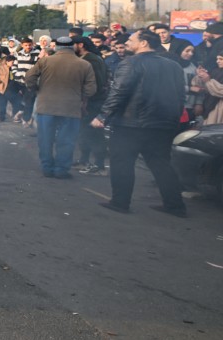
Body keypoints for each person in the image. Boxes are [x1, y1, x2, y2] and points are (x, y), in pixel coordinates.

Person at [93, 30, 187, 216]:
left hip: (130, 124)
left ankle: (120, 202)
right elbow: (180, 96)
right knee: (161, 164)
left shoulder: (130, 63)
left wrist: (103, 116)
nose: (127, 42)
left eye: (131, 39)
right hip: (162, 124)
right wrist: (173, 119)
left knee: (122, 163)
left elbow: (119, 91)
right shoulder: (173, 66)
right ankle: (175, 205)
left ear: (143, 43)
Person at [25, 36, 96, 179]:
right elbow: (91, 89)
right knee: (67, 140)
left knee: (45, 139)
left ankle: (47, 168)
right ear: (72, 47)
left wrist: (37, 89)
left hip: (46, 106)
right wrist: (80, 95)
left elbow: (29, 77)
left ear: (56, 47)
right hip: (71, 108)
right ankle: (61, 170)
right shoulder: (84, 64)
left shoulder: (45, 61)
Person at [70, 36, 110, 175]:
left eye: (72, 44)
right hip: (85, 102)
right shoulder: (85, 59)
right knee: (84, 132)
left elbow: (97, 84)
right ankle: (84, 160)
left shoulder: (92, 60)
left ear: (80, 45)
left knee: (94, 133)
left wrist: (87, 98)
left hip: (92, 102)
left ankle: (99, 165)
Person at [0, 55, 21, 122]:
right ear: (7, 62)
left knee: (15, 102)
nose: (13, 63)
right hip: (2, 89)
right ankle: (1, 116)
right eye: (11, 61)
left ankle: (15, 116)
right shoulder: (1, 68)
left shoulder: (15, 69)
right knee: (2, 103)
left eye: (14, 61)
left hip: (12, 89)